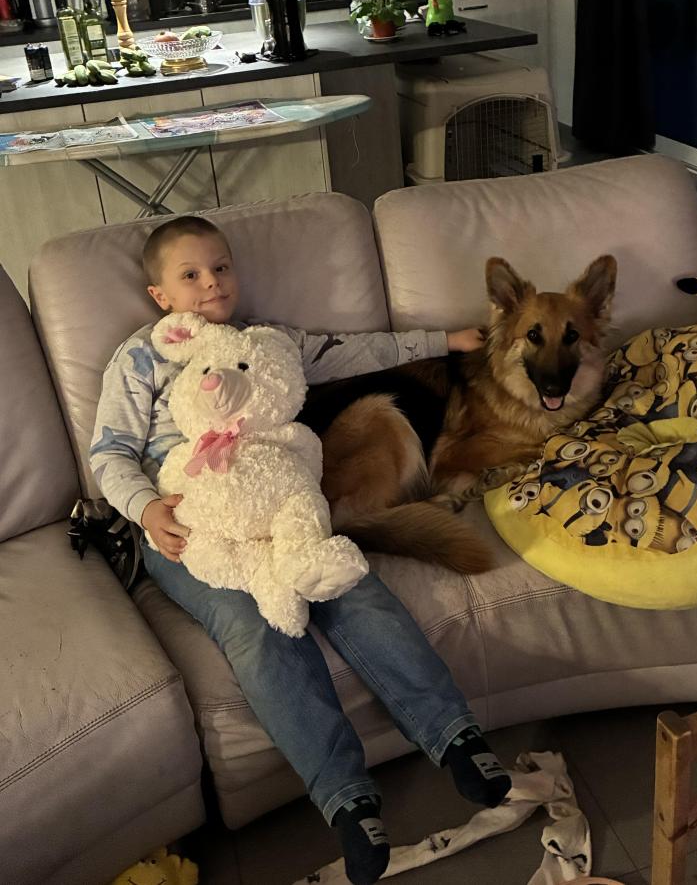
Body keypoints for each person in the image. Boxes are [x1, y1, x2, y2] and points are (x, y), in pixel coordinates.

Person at [89, 215, 511, 885]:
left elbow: (352, 352)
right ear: (160, 296)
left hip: (281, 500)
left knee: (350, 584)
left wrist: (444, 340)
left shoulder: (268, 342)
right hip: (192, 524)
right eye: (191, 275)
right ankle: (346, 798)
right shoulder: (142, 357)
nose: (212, 283)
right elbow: (109, 452)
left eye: (221, 267)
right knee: (254, 627)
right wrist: (146, 508)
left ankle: (454, 735)